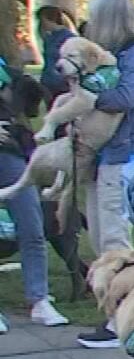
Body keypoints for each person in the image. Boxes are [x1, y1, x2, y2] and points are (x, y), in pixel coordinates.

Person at [74, 0, 134, 349]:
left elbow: (126, 98)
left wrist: (89, 95)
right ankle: (119, 313)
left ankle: (127, 317)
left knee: (115, 241)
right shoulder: (120, 55)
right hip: (105, 156)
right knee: (100, 237)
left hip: (125, 154)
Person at [0, 56, 69, 331]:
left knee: (32, 224)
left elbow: (27, 95)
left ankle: (39, 300)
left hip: (10, 152)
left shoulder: (5, 67)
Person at [35, 6, 77, 100]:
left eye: (42, 20)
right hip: (48, 82)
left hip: (62, 83)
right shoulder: (49, 38)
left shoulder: (68, 37)